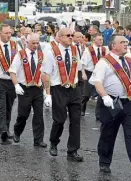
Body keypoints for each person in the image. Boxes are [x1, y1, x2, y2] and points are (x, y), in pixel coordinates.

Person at [89, 34, 131, 174]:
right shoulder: (104, 62)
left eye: (126, 42)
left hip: (129, 103)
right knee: (108, 134)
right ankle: (104, 162)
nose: (126, 44)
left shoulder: (129, 59)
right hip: (111, 103)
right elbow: (97, 81)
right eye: (122, 42)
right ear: (114, 46)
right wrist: (105, 96)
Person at [41, 28, 83, 161]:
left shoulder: (76, 50)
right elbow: (45, 74)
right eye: (68, 35)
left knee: (76, 121)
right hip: (58, 88)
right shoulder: (50, 52)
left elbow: (79, 69)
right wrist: (47, 93)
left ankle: (73, 151)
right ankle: (54, 142)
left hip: (74, 88)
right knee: (59, 120)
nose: (71, 37)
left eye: (72, 35)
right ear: (59, 37)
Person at [9, 33, 47, 147]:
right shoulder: (20, 55)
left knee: (39, 115)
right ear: (27, 42)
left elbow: (45, 73)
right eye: (33, 43)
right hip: (24, 89)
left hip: (37, 89)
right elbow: (12, 71)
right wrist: (16, 85)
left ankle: (38, 139)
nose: (35, 45)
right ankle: (17, 131)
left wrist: (46, 90)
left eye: (37, 43)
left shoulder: (41, 55)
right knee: (23, 114)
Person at [81, 33, 108, 119]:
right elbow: (82, 63)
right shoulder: (88, 50)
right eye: (99, 39)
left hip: (101, 74)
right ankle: (81, 109)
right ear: (94, 40)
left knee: (101, 94)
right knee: (86, 94)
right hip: (89, 73)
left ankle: (98, 115)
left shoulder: (105, 49)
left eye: (102, 39)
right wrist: (83, 73)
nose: (101, 41)